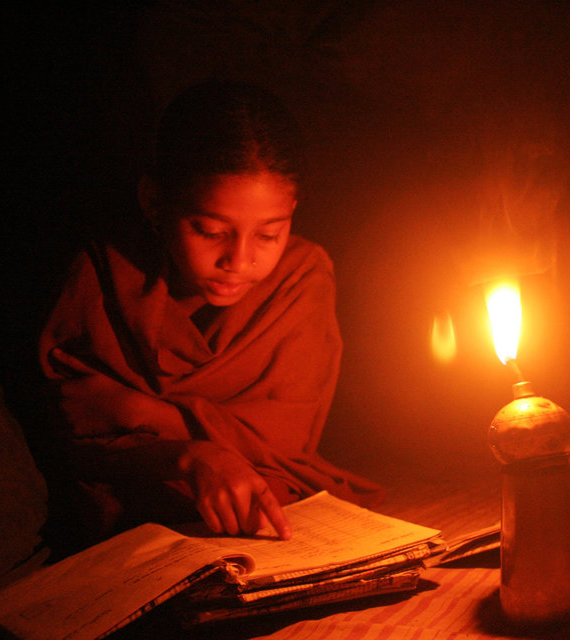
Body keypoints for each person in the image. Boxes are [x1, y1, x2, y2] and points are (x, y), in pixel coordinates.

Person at [39, 81, 380, 546]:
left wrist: (138, 410)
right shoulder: (108, 271)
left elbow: (283, 444)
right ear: (154, 202)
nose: (239, 261)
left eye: (268, 235)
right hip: (129, 499)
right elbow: (68, 421)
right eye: (210, 231)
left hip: (264, 491)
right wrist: (184, 455)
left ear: (293, 212)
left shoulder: (301, 278)